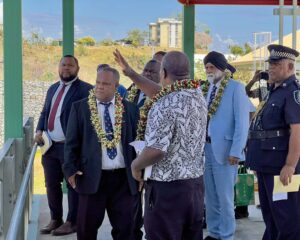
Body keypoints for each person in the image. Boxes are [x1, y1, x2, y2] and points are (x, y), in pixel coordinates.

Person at [129, 51, 207, 239]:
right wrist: (131, 73)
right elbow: (163, 93)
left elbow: (156, 151)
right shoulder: (197, 95)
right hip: (195, 186)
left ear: (163, 73)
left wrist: (135, 165)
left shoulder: (163, 104)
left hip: (167, 191)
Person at [63, 67, 143, 240]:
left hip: (123, 180)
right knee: (86, 230)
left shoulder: (130, 109)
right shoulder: (80, 108)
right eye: (97, 82)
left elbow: (138, 143)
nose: (99, 87)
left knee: (127, 230)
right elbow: (70, 144)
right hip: (91, 178)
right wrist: (70, 170)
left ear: (116, 86)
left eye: (105, 84)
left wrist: (141, 172)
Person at [246, 44, 300, 240]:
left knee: (287, 218)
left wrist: (290, 165)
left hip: (281, 169)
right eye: (270, 64)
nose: (271, 67)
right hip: (266, 164)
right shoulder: (273, 92)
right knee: (270, 216)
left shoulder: (292, 93)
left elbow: (297, 131)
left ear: (290, 67)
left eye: (276, 64)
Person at [35, 55, 93, 235]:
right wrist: (38, 130)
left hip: (71, 149)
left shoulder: (86, 90)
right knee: (51, 184)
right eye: (63, 65)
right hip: (50, 147)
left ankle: (72, 221)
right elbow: (45, 111)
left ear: (77, 68)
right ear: (58, 67)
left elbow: (88, 121)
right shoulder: (53, 88)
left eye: (70, 65)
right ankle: (55, 219)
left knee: (72, 185)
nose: (66, 68)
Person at [202, 51, 249, 240]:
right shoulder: (206, 89)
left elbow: (242, 123)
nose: (209, 71)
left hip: (227, 151)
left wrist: (236, 151)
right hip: (207, 149)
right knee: (211, 197)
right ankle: (214, 233)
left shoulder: (236, 88)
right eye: (206, 67)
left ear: (221, 67)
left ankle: (227, 235)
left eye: (212, 67)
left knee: (225, 198)